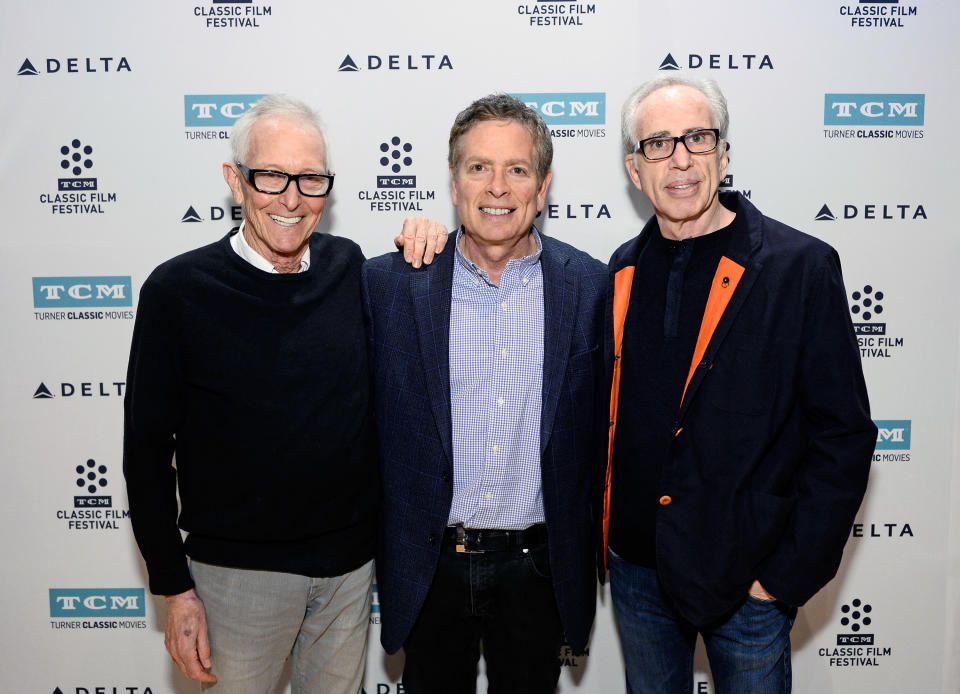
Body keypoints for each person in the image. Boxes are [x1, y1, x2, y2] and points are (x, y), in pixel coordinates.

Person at [122, 94, 445, 693]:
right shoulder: (177, 290)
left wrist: (427, 233)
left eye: (311, 179)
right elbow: (144, 453)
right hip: (235, 580)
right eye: (271, 176)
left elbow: (420, 302)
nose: (292, 198)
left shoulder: (348, 267)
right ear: (235, 181)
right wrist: (174, 587)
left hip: (349, 575)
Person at [603, 75, 876, 693]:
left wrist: (780, 579)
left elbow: (845, 435)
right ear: (634, 168)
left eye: (697, 138)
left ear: (723, 153)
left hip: (747, 584)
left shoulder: (799, 267)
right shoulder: (621, 269)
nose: (680, 159)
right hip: (638, 572)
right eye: (658, 144)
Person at [362, 94, 608, 693]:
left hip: (537, 568)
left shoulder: (591, 286)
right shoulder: (391, 283)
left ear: (543, 186)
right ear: (453, 181)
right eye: (479, 168)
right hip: (430, 564)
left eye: (517, 170)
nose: (497, 187)